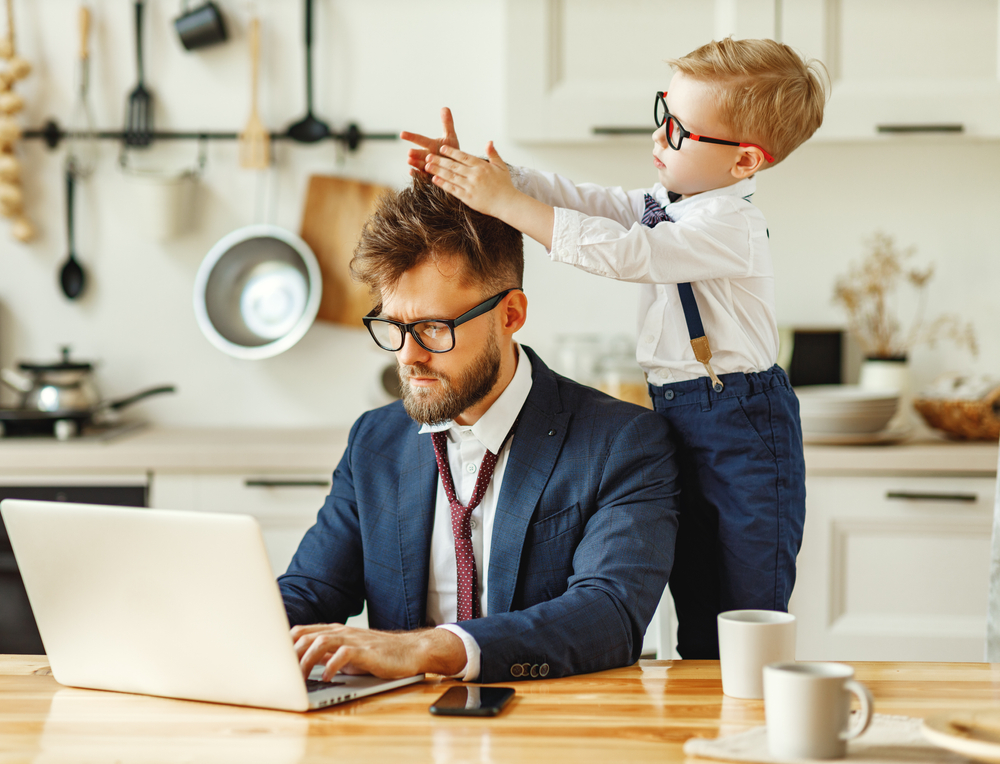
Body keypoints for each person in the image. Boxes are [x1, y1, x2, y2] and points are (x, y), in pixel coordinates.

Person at [403, 37, 828, 659]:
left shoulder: (730, 227)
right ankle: (707, 720)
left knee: (744, 607)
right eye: (662, 112)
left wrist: (508, 203)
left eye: (679, 131)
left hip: (743, 426)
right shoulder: (671, 206)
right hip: (681, 413)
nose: (659, 137)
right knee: (695, 595)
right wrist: (494, 179)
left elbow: (631, 254)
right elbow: (591, 203)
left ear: (744, 162)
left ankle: (753, 726)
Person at [279, 175, 680, 684]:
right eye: (394, 326)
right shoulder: (373, 442)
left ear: (510, 314)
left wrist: (431, 649)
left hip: (549, 730)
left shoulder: (622, 441)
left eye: (432, 328)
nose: (408, 356)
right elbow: (311, 591)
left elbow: (608, 614)